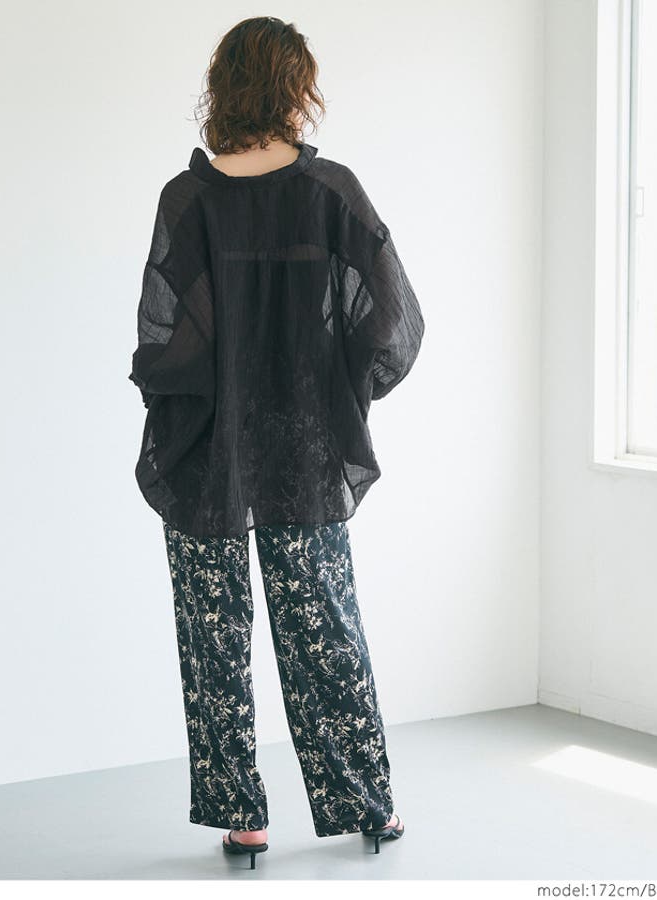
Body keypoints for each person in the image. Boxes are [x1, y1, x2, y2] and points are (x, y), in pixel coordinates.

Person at [128, 15, 424, 866]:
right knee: (324, 625)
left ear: (222, 88)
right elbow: (393, 323)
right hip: (301, 445)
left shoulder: (187, 201)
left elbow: (163, 339)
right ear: (297, 88)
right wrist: (332, 393)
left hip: (207, 450)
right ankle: (368, 804)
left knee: (212, 633)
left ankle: (242, 818)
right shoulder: (329, 192)